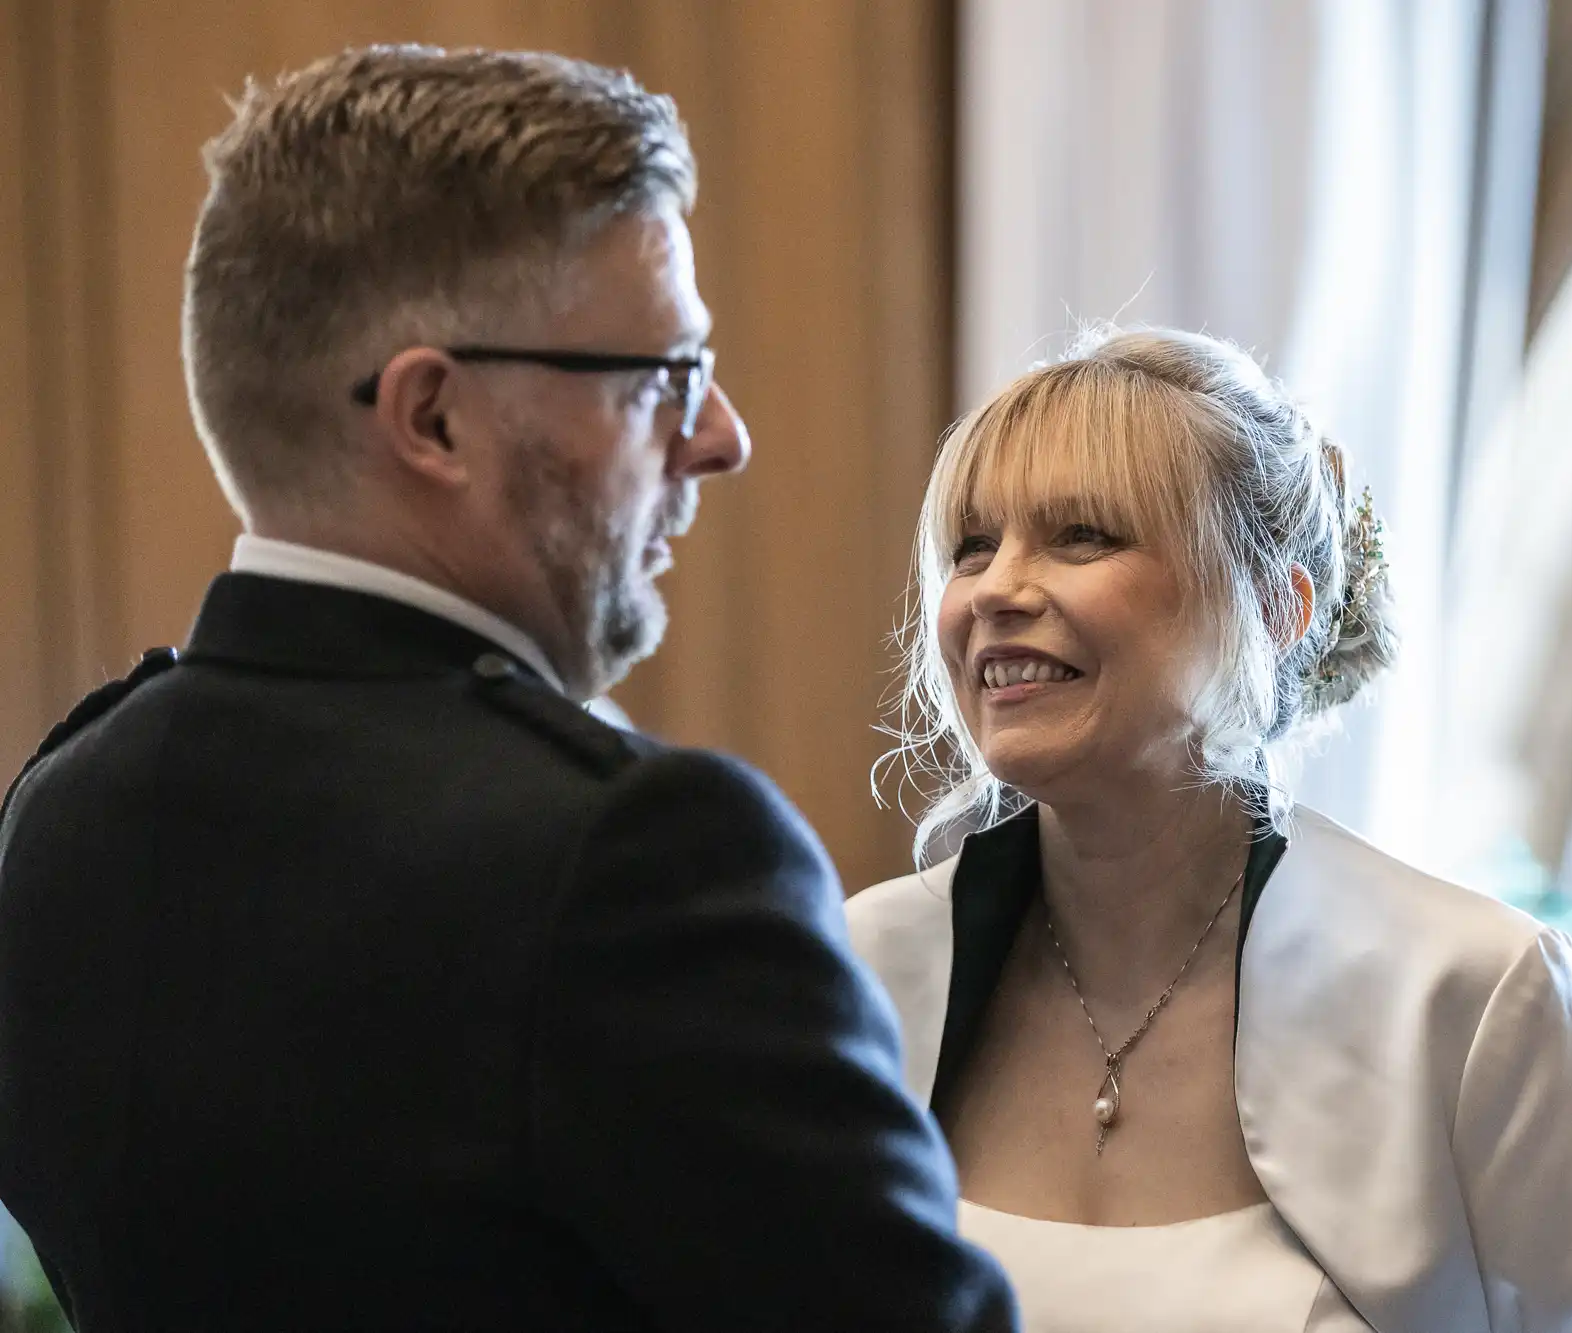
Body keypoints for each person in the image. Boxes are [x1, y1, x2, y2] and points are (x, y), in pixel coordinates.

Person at [0, 46, 1015, 1332]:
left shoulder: (59, 809)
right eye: (663, 375)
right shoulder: (639, 860)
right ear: (432, 419)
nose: (720, 436)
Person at [847, 327, 1572, 1332]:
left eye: (1082, 535)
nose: (997, 588)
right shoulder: (856, 971)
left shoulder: (1466, 995)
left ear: (1273, 607)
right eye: (971, 547)